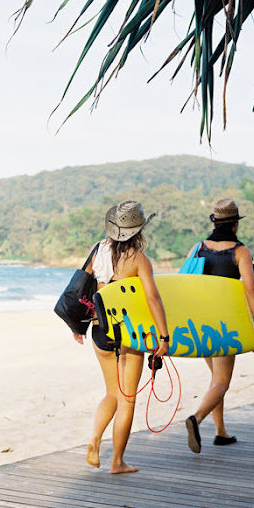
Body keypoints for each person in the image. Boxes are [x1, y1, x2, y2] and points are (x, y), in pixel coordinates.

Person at [73, 200, 169, 474]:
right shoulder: (139, 260)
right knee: (126, 397)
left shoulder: (97, 251)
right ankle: (117, 462)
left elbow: (79, 289)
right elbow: (153, 298)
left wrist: (76, 326)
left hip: (99, 330)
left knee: (111, 393)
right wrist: (163, 337)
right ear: (138, 231)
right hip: (128, 334)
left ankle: (94, 438)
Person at [184, 198, 254, 454]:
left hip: (200, 323)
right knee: (222, 381)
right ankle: (196, 419)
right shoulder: (240, 251)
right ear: (235, 224)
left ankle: (220, 432)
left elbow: (183, 282)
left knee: (215, 378)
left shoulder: (197, 248)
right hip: (225, 325)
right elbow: (250, 291)